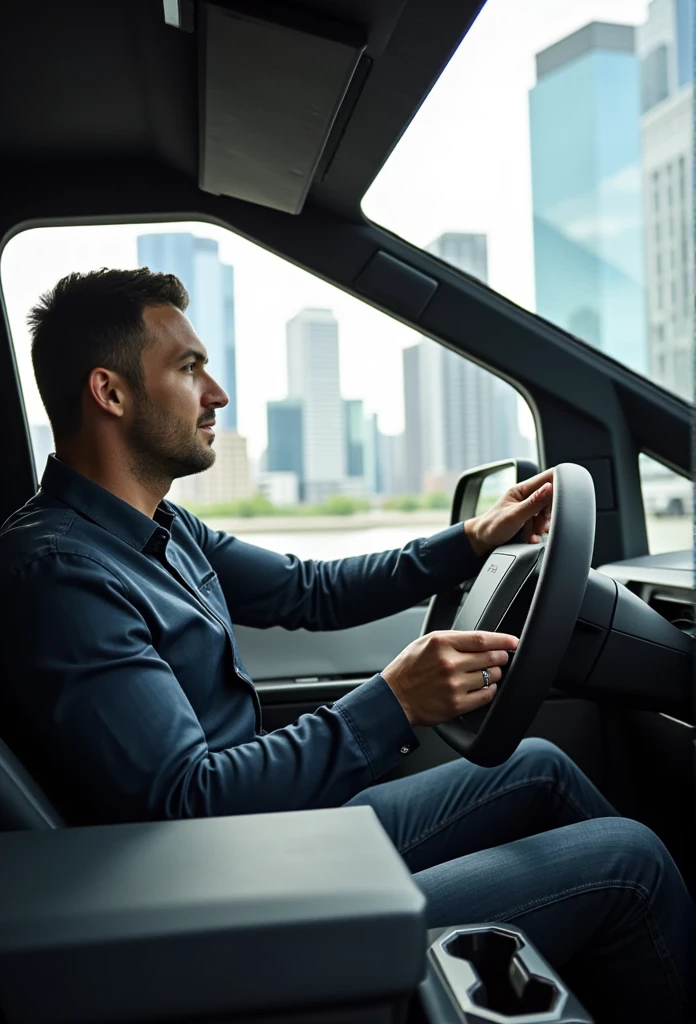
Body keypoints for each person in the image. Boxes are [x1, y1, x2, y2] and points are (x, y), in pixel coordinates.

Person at [0, 269, 692, 1023]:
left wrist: (470, 540)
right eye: (189, 368)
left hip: (271, 846)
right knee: (632, 863)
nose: (217, 395)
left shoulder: (161, 530)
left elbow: (310, 590)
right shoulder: (61, 573)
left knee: (539, 766)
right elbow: (187, 804)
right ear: (110, 392)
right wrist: (392, 702)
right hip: (226, 894)